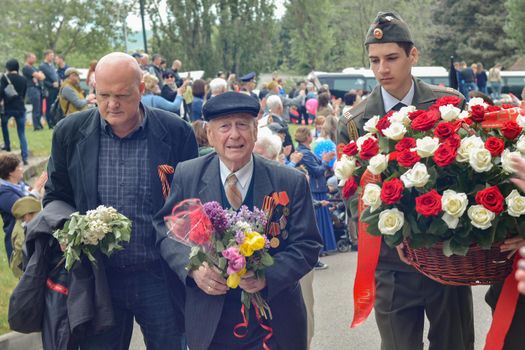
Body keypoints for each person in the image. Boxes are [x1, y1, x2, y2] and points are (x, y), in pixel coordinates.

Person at [336, 11, 474, 350]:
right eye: (375, 60)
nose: (383, 69)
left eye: (392, 58)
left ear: (413, 56)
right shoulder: (354, 123)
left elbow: (471, 174)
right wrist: (388, 233)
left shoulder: (449, 104)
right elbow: (353, 196)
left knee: (455, 344)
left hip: (446, 258)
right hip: (391, 265)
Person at [43, 52, 199, 349]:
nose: (111, 104)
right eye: (103, 95)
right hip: (99, 278)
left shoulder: (176, 132)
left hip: (158, 275)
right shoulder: (69, 132)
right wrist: (70, 227)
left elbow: (191, 202)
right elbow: (55, 196)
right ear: (93, 90)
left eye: (122, 95)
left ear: (141, 90)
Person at [154, 91, 322, 350]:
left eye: (242, 124)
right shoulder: (188, 175)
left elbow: (308, 245)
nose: (234, 135)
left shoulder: (290, 181)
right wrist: (193, 268)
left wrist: (267, 275)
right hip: (210, 320)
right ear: (210, 134)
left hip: (275, 321)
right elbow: (166, 231)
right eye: (224, 126)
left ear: (256, 131)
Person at [295, 126, 336, 269]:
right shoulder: (304, 153)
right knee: (318, 221)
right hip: (315, 189)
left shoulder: (305, 152)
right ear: (307, 137)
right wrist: (324, 161)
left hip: (317, 188)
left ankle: (322, 250)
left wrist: (324, 159)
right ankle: (319, 250)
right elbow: (317, 172)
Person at [0, 153, 46, 260]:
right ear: (10, 172)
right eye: (19, 167)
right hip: (19, 243)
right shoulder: (3, 193)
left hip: (31, 236)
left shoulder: (20, 184)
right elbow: (24, 209)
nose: (22, 169)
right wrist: (36, 189)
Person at [0, 59, 29, 164]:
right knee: (21, 133)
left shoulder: (4, 78)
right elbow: (24, 94)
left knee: (4, 125)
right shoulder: (23, 79)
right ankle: (25, 157)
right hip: (20, 108)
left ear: (8, 67)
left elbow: (1, 92)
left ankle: (7, 145)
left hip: (8, 108)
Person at [22, 52, 45, 130]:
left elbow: (42, 76)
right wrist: (38, 75)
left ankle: (39, 124)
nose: (35, 59)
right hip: (32, 89)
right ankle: (36, 126)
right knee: (36, 108)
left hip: (38, 89)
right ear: (28, 58)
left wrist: (38, 75)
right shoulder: (26, 68)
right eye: (33, 58)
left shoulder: (34, 67)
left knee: (39, 108)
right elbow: (39, 76)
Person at [39, 49, 59, 129]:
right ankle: (50, 124)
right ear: (46, 56)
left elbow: (55, 76)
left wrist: (58, 82)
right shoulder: (42, 66)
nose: (52, 57)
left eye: (53, 56)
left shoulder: (52, 65)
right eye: (51, 56)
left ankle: (54, 122)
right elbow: (42, 80)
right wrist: (51, 84)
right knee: (49, 107)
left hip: (55, 89)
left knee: (55, 106)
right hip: (49, 90)